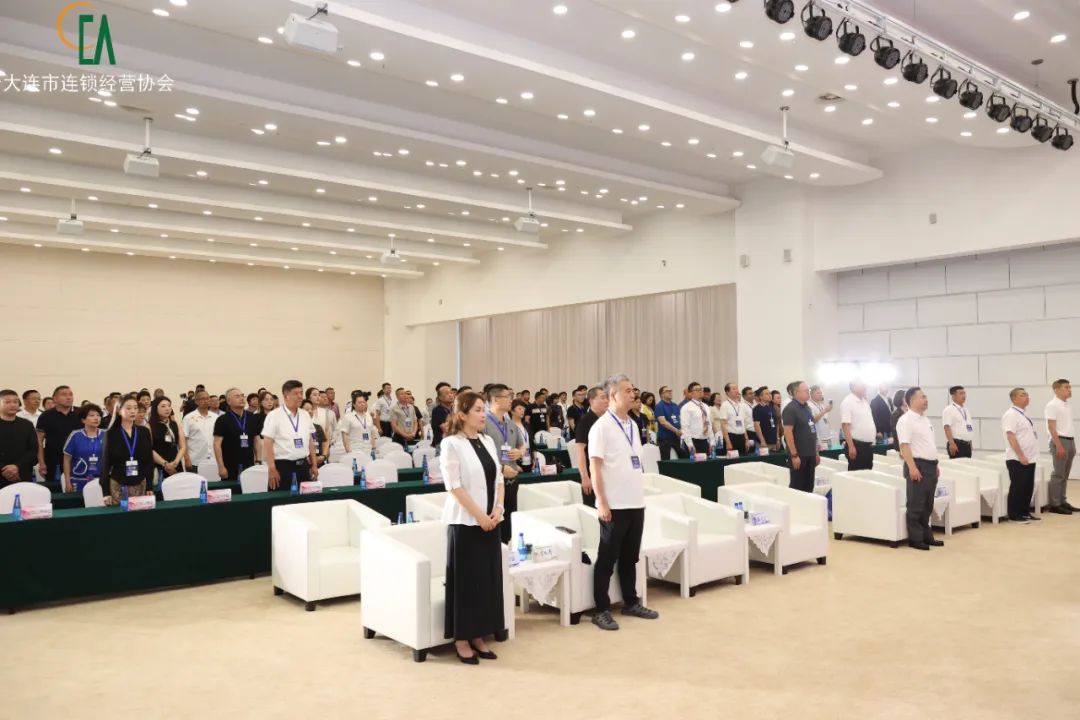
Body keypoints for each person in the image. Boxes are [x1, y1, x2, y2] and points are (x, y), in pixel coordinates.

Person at [439, 390, 506, 663]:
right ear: (462, 415)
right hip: (466, 523)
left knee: (486, 581)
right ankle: (462, 638)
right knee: (467, 583)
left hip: (492, 520)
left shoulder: (487, 440)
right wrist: (480, 516)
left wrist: (498, 510)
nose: (483, 414)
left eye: (483, 409)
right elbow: (454, 486)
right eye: (477, 410)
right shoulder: (451, 444)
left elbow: (499, 478)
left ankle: (479, 634)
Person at [588, 374, 658, 631]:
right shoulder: (601, 427)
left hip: (635, 501)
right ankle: (601, 610)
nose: (633, 394)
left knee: (630, 557)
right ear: (613, 395)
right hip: (614, 504)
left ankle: (631, 602)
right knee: (607, 559)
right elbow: (595, 467)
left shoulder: (633, 424)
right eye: (627, 391)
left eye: (633, 390)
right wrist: (601, 502)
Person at [895, 387, 942, 550]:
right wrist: (912, 467)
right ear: (912, 400)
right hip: (917, 465)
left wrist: (935, 464)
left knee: (927, 505)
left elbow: (928, 444)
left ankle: (926, 536)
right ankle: (915, 539)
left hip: (930, 465)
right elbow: (904, 446)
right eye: (923, 397)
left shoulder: (925, 419)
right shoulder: (906, 420)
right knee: (916, 504)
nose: (926, 400)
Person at [262, 380, 319, 490]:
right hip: (283, 467)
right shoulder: (274, 415)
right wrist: (271, 468)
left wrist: (314, 464)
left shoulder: (305, 414)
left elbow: (310, 440)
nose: (300, 396)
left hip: (303, 465)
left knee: (305, 498)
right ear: (286, 396)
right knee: (282, 498)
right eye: (296, 393)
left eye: (301, 393)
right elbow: (267, 442)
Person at [101, 394, 155, 505]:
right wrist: (105, 492)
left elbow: (149, 461)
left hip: (141, 483)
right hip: (118, 484)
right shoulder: (111, 434)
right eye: (128, 408)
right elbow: (105, 464)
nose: (133, 411)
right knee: (121, 514)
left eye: (135, 408)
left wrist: (149, 485)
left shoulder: (144, 432)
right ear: (119, 410)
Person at [1003, 388, 1039, 524]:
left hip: (1030, 457)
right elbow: (1011, 436)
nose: (1027, 397)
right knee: (1018, 487)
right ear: (1014, 399)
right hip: (1017, 458)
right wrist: (1021, 455)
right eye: (1023, 395)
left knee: (1027, 487)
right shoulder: (1011, 414)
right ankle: (1014, 515)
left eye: (1027, 394)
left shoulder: (1023, 414)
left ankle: (1024, 512)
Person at [36, 385, 82, 487]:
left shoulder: (81, 413)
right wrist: (41, 462)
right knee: (54, 489)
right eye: (64, 395)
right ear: (55, 399)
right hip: (53, 460)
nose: (68, 397)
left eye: (70, 394)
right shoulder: (46, 416)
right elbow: (39, 441)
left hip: (78, 460)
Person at [1045, 379, 1079, 515]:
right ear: (1057, 389)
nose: (1069, 390)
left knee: (1065, 474)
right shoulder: (1052, 405)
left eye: (1070, 387)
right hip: (1059, 441)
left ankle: (1062, 501)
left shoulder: (1067, 405)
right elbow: (1051, 427)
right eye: (1066, 387)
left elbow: (1069, 426)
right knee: (1058, 474)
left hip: (1069, 441)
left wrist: (1073, 444)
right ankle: (1055, 504)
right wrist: (1058, 445)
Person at [782, 382, 820, 493]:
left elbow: (811, 430)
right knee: (798, 487)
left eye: (808, 390)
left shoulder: (807, 407)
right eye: (805, 391)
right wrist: (794, 455)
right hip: (799, 455)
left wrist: (816, 452)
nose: (808, 392)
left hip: (810, 454)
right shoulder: (790, 409)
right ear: (796, 392)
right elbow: (788, 433)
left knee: (809, 486)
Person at [214, 388, 258, 482]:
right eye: (237, 396)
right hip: (230, 465)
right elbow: (217, 444)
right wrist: (221, 466)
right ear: (228, 401)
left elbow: (256, 440)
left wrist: (258, 460)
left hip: (249, 464)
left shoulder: (252, 417)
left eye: (242, 396)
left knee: (250, 488)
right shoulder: (222, 420)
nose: (241, 398)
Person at [483, 384, 522, 485]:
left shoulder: (511, 423)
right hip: (492, 480)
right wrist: (501, 468)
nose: (511, 400)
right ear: (496, 399)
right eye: (507, 397)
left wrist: (520, 452)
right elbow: (481, 454)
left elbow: (521, 445)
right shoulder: (483, 423)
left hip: (512, 479)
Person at [62, 403, 105, 493]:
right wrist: (67, 482)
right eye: (92, 415)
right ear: (83, 420)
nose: (96, 418)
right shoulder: (75, 435)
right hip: (79, 480)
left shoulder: (106, 435)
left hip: (101, 480)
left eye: (98, 415)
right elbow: (66, 460)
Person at [575, 386, 608, 499]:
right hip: (592, 474)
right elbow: (580, 450)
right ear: (591, 401)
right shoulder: (585, 421)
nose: (606, 401)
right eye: (602, 398)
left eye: (607, 398)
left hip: (607, 473)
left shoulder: (607, 420)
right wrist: (585, 477)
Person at [0, 389, 38, 485]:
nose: (12, 405)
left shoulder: (26, 425)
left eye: (15, 402)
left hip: (22, 472)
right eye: (7, 402)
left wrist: (16, 466)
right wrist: (4, 470)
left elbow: (33, 449)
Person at [840, 381, 876, 471]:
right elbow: (845, 425)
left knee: (868, 474)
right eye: (862, 385)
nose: (865, 387)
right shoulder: (848, 402)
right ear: (854, 387)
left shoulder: (865, 401)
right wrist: (851, 446)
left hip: (867, 446)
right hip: (856, 446)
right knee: (857, 474)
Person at [149, 396, 186, 481]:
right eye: (163, 406)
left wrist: (176, 462)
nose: (167, 408)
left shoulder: (175, 424)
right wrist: (165, 464)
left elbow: (183, 446)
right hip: (158, 465)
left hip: (175, 464)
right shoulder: (150, 426)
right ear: (155, 408)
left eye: (169, 405)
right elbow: (149, 449)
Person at [182, 390, 217, 471]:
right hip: (195, 461)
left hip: (213, 461)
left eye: (207, 398)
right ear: (196, 401)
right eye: (202, 399)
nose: (206, 401)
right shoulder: (188, 418)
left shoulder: (216, 417)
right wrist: (187, 459)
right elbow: (183, 440)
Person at [720, 383, 756, 457]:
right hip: (731, 437)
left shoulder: (741, 405)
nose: (737, 391)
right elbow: (723, 425)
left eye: (737, 388)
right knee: (733, 461)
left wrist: (746, 440)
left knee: (743, 459)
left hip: (742, 437)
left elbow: (743, 424)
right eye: (734, 389)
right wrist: (728, 442)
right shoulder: (725, 405)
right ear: (727, 392)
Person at [653, 386, 686, 460]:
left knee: (683, 457)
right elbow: (663, 422)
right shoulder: (659, 406)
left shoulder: (675, 405)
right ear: (662, 394)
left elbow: (679, 419)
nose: (670, 392)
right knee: (666, 460)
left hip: (676, 437)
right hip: (665, 438)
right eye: (667, 391)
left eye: (671, 391)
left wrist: (681, 429)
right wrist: (676, 430)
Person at [942, 386, 975, 459]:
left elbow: (968, 426)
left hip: (967, 445)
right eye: (961, 393)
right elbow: (946, 427)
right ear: (953, 396)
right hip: (957, 444)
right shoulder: (949, 409)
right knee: (958, 465)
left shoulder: (965, 410)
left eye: (964, 393)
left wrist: (970, 442)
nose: (964, 396)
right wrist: (951, 443)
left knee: (967, 466)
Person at [679, 382, 711, 455]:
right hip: (693, 441)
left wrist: (711, 442)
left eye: (701, 389)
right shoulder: (686, 408)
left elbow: (709, 425)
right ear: (690, 393)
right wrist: (690, 444)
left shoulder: (706, 407)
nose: (700, 391)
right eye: (697, 390)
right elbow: (685, 427)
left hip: (705, 441)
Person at [301, 399, 330, 466]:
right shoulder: (298, 429)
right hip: (304, 463)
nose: (310, 411)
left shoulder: (317, 427)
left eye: (311, 409)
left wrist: (323, 456)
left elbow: (325, 444)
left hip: (319, 462)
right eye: (307, 409)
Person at [752, 387, 778, 452]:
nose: (770, 395)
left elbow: (776, 424)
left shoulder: (772, 407)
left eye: (770, 393)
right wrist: (762, 440)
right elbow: (756, 425)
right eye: (767, 394)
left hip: (773, 440)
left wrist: (778, 438)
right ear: (761, 397)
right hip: (764, 442)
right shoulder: (757, 409)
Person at [510, 399, 533, 469]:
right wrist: (513, 465)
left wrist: (535, 459)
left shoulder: (526, 425)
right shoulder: (508, 426)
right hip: (516, 462)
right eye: (519, 408)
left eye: (523, 409)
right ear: (512, 411)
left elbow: (532, 444)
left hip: (529, 460)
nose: (522, 410)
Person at [430, 382, 454, 448]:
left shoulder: (455, 409)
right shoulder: (437, 410)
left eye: (451, 393)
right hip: (441, 444)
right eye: (447, 393)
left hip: (454, 443)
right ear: (440, 397)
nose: (450, 395)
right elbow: (447, 429)